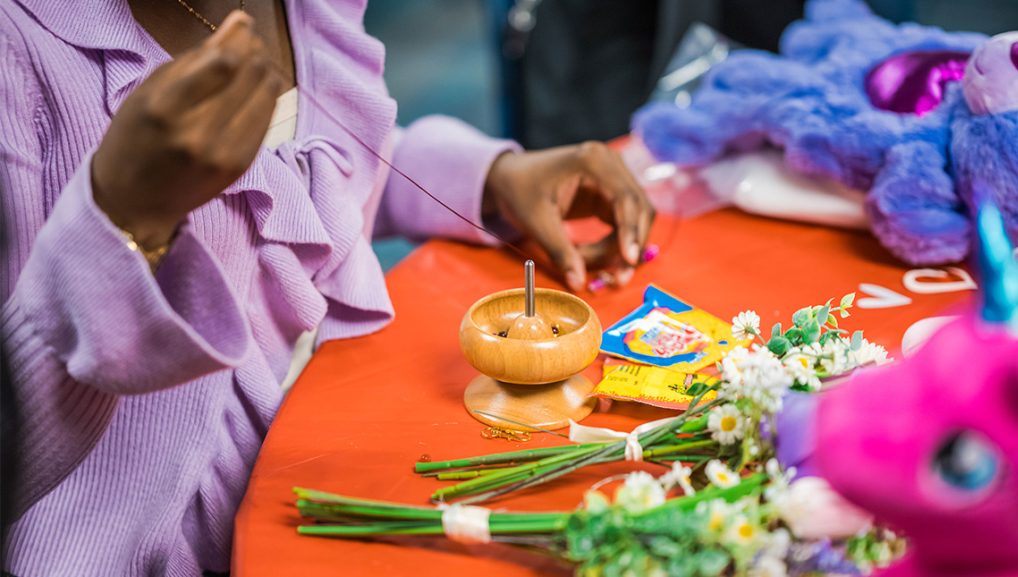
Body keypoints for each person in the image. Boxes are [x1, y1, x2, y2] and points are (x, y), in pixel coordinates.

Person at [0, 1, 653, 574]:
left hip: (328, 460)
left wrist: (489, 176)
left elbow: (308, 173)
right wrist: (123, 219)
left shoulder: (310, 10)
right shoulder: (19, 54)